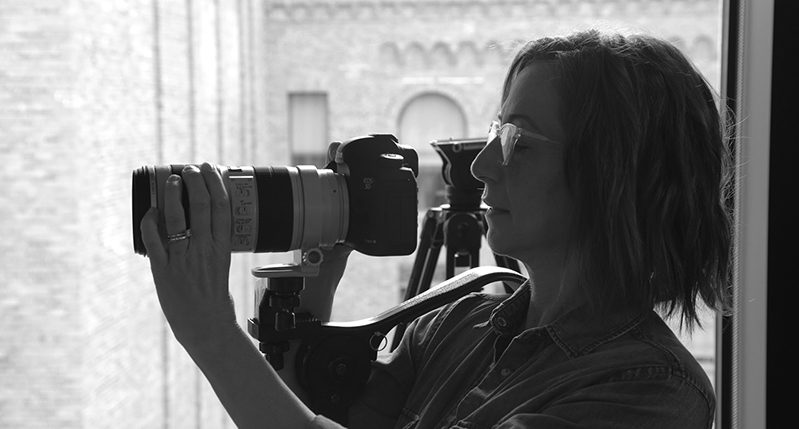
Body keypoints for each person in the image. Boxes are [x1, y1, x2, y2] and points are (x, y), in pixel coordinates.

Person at [140, 29, 732, 429]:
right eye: (497, 130)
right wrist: (314, 277)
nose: (481, 166)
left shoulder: (650, 392)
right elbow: (325, 413)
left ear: (612, 175)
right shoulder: (461, 321)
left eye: (517, 142)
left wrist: (213, 336)